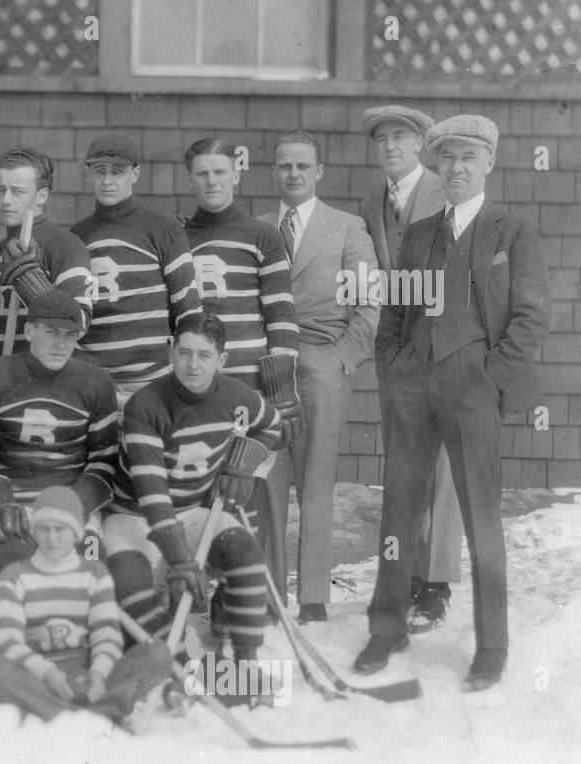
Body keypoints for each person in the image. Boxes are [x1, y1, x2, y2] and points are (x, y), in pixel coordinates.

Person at [358, 115, 550, 692]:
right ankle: (386, 626)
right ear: (437, 167)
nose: (457, 169)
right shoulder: (419, 235)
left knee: (481, 519)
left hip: (473, 386)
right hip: (414, 386)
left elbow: (531, 317)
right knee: (398, 511)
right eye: (448, 160)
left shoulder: (512, 231)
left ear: (489, 163)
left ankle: (492, 645)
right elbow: (394, 311)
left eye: (469, 158)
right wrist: (393, 367)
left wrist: (490, 376)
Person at [104, 312, 282, 701]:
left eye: (204, 355)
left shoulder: (237, 398)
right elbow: (151, 493)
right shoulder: (146, 404)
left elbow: (273, 424)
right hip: (133, 517)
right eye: (184, 353)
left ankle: (242, 669)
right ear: (171, 352)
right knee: (133, 587)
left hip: (191, 512)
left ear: (223, 360)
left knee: (248, 558)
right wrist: (181, 559)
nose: (192, 364)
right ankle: (177, 669)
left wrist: (244, 462)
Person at [256, 130, 379, 622]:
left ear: (319, 171)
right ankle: (268, 594)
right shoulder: (257, 227)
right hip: (267, 367)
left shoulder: (347, 227)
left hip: (321, 362)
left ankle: (312, 598)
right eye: (285, 165)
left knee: (316, 483)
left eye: (303, 166)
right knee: (266, 480)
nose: (294, 174)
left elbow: (370, 304)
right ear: (274, 171)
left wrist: (342, 361)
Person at [358, 105, 462, 630]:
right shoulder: (372, 202)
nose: (391, 147)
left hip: (442, 349)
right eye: (382, 141)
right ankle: (404, 576)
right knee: (403, 464)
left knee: (442, 465)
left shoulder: (445, 194)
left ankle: (436, 582)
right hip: (395, 351)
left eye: (400, 138)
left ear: (419, 144)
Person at [182, 137, 301, 599]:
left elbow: (281, 316)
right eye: (202, 174)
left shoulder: (262, 236)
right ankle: (210, 595)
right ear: (191, 178)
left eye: (220, 172)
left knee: (252, 489)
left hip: (249, 386)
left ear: (236, 174)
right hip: (200, 384)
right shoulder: (179, 237)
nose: (211, 181)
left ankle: (259, 595)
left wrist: (280, 390)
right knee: (203, 489)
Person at [0, 486, 170, 722]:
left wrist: (99, 675)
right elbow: (5, 640)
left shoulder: (95, 572)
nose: (52, 538)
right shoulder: (13, 575)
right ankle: (89, 719)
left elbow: (107, 635)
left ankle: (77, 715)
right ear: (33, 532)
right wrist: (47, 672)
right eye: (44, 529)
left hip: (88, 675)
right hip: (40, 675)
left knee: (158, 653)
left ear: (76, 533)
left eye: (60, 529)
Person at [0, 289, 118, 584]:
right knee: (7, 569)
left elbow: (104, 464)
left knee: (90, 570)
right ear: (29, 331)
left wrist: (72, 507)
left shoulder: (97, 383)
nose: (61, 344)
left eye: (70, 336)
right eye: (51, 332)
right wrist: (2, 501)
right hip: (10, 502)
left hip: (72, 502)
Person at [71, 132, 202, 404]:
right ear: (88, 173)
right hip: (94, 381)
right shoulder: (77, 235)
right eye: (99, 170)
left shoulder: (164, 230)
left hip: (152, 380)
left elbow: (188, 311)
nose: (108, 180)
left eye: (118, 171)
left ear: (136, 173)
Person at [0, 147, 94, 358]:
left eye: (17, 191)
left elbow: (79, 323)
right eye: (1, 190)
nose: (6, 200)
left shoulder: (65, 245)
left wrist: (31, 284)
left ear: (42, 195)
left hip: (43, 377)